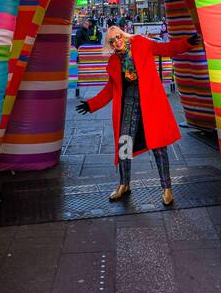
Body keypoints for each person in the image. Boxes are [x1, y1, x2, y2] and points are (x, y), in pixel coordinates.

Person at [76, 24, 202, 205]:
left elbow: (166, 48)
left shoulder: (141, 43)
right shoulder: (113, 63)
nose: (117, 42)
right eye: (112, 41)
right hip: (128, 105)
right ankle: (124, 184)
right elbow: (109, 90)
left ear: (123, 35)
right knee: (124, 145)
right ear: (110, 45)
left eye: (118, 37)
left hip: (150, 103)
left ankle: (167, 188)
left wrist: (187, 43)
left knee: (159, 147)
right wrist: (91, 104)